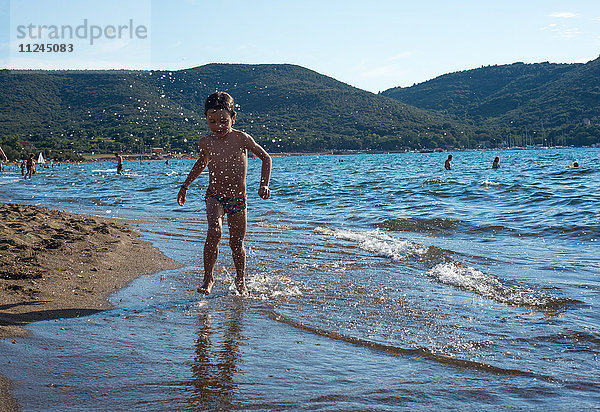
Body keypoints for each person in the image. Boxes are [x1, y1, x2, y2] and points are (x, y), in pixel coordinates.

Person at [177, 92, 272, 296]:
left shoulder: (242, 138)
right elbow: (201, 163)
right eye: (212, 121)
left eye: (223, 121)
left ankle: (240, 281)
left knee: (236, 243)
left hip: (238, 199)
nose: (218, 126)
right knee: (215, 231)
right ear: (205, 119)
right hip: (215, 195)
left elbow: (266, 158)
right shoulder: (206, 142)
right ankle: (208, 277)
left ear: (233, 118)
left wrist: (264, 184)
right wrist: (185, 185)